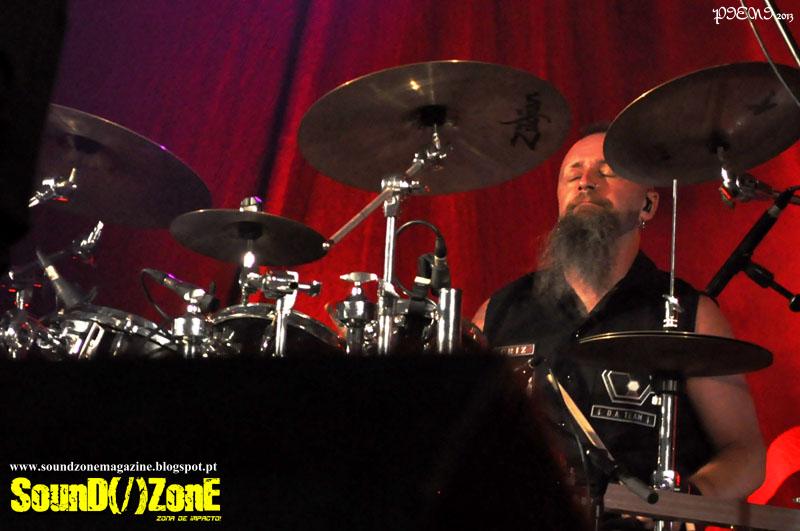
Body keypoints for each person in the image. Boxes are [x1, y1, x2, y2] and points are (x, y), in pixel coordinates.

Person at [472, 127, 765, 501]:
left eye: (607, 171)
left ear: (648, 205)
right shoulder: (500, 311)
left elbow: (745, 453)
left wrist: (681, 505)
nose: (586, 182)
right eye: (573, 174)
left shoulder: (688, 313)